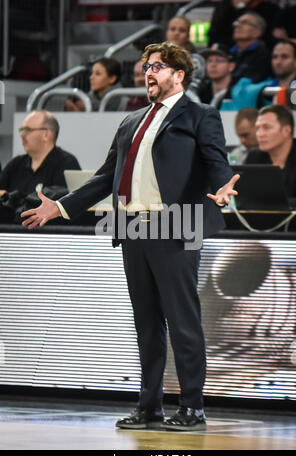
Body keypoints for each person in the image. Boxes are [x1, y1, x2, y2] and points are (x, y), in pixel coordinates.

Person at [21, 42, 239, 431]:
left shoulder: (200, 114)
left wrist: (223, 188)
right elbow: (106, 177)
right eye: (145, 67)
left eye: (157, 66)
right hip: (133, 226)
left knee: (183, 321)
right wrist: (61, 206)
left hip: (178, 223)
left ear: (179, 75)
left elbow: (216, 161)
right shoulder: (132, 119)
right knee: (146, 324)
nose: (148, 73)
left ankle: (192, 408)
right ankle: (149, 407)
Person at [0, 110, 81, 223]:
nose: (21, 135)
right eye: (21, 130)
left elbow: (64, 207)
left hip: (47, 235)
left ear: (46, 134)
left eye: (27, 130)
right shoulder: (15, 164)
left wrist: (13, 199)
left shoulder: (66, 164)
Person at [245, 105, 296, 199]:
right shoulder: (254, 156)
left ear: (286, 130)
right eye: (257, 128)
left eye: (267, 127)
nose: (260, 134)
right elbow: (247, 199)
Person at [165, 16, 205, 101]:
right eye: (172, 29)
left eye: (182, 30)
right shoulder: (156, 59)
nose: (176, 33)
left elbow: (191, 89)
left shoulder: (195, 60)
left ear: (188, 36)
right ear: (167, 33)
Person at [208, 0, 279, 49]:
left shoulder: (271, 10)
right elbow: (214, 34)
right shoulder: (226, 6)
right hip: (228, 51)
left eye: (244, 23)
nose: (237, 25)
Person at [230, 12, 272, 83]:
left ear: (257, 32)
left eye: (244, 23)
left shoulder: (264, 56)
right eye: (237, 22)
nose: (237, 25)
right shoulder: (228, 54)